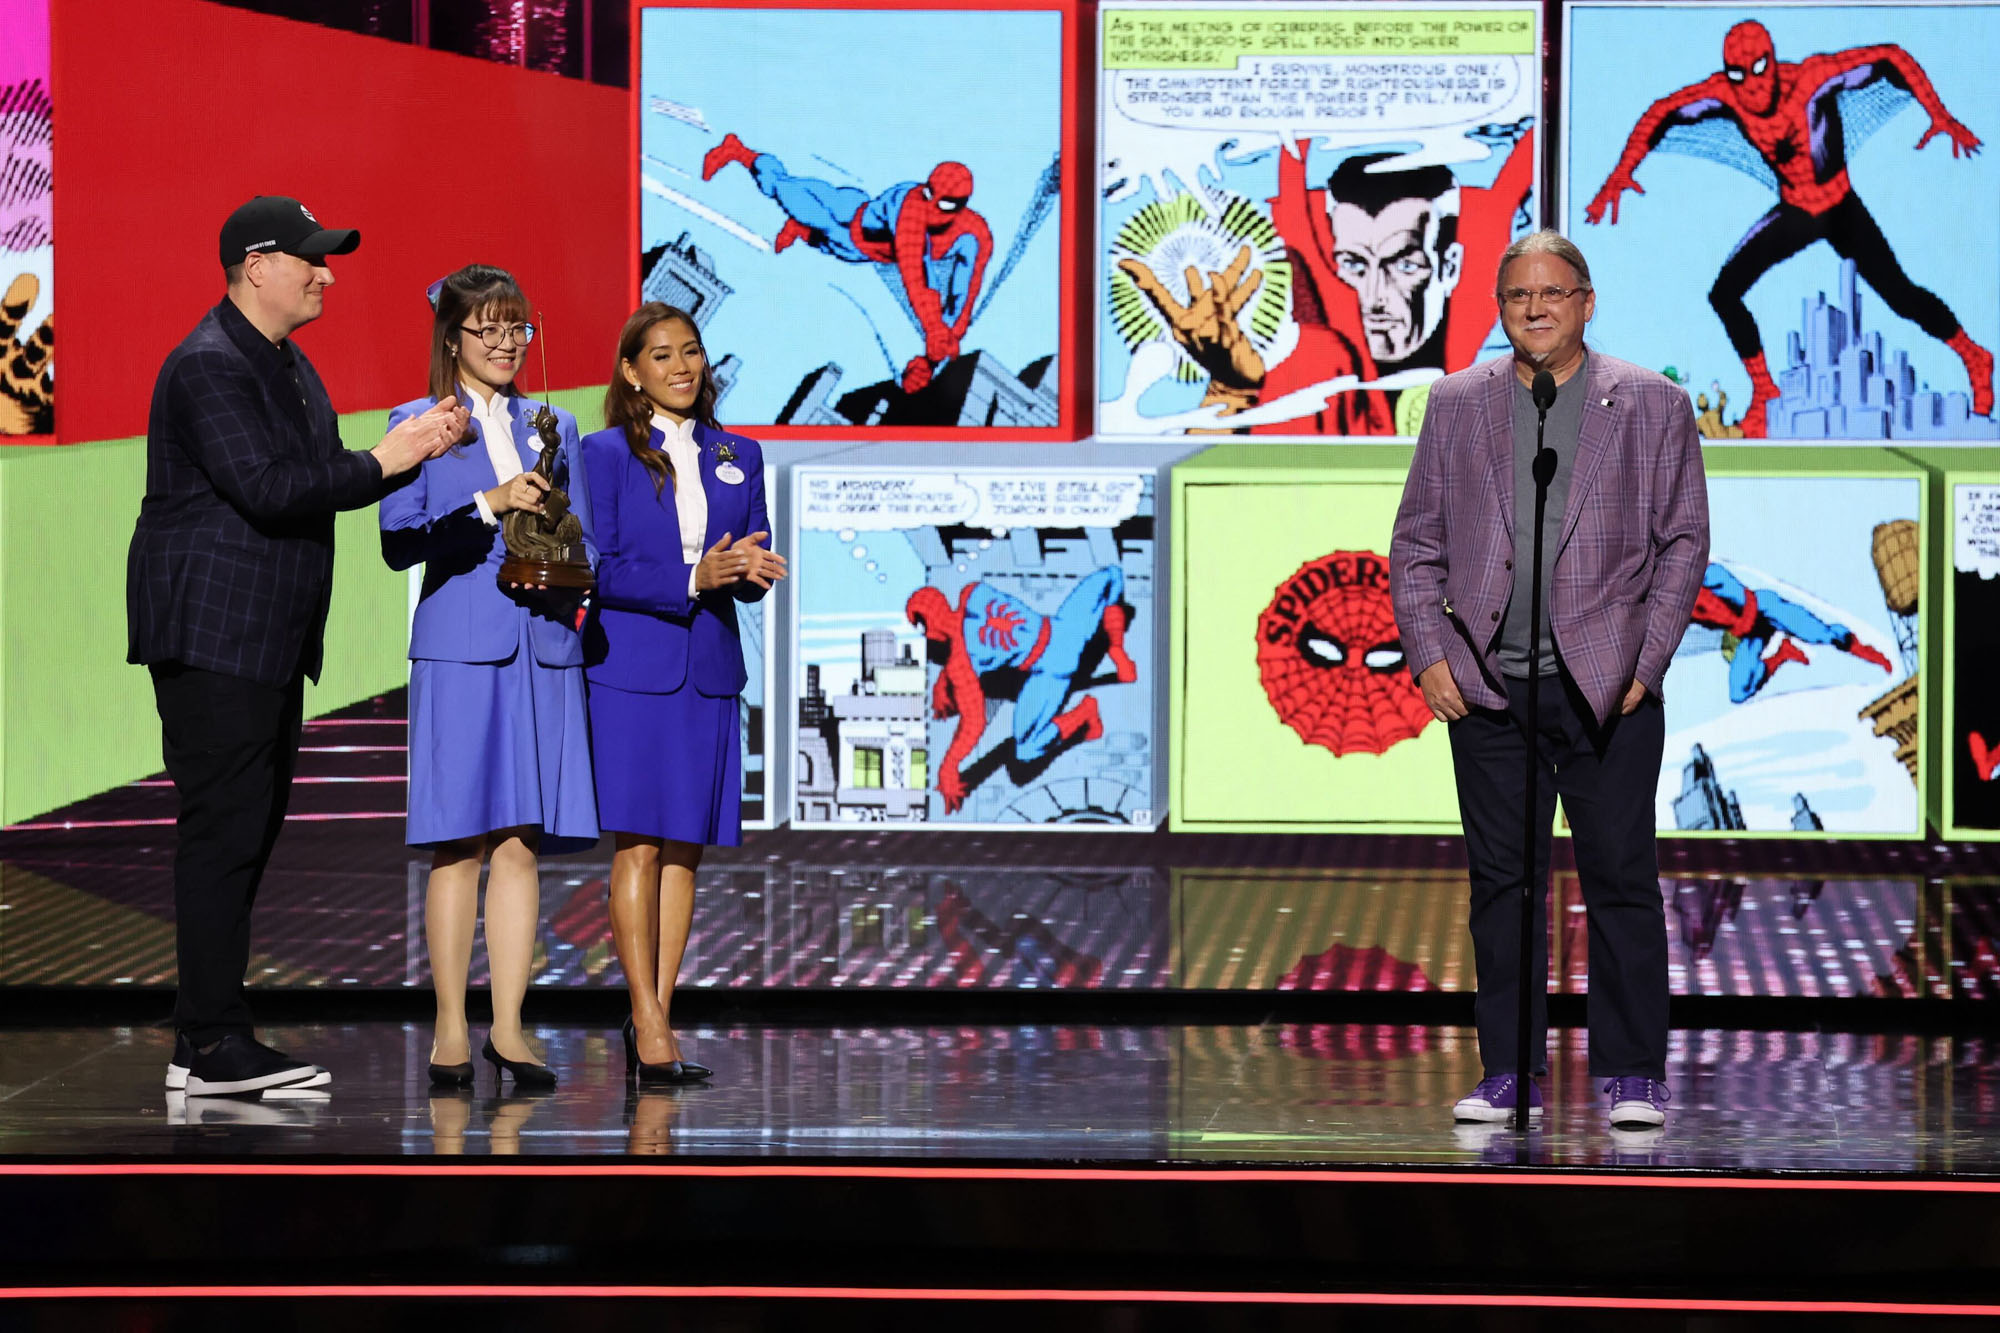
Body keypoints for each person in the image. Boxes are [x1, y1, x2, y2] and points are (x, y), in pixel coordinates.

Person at [129, 196, 467, 1096]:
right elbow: (270, 487)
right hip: (216, 633)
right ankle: (208, 1042)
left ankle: (205, 1034)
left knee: (243, 832)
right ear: (255, 265)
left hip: (262, 639)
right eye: (311, 259)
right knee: (222, 834)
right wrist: (389, 460)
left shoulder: (283, 364)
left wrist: (412, 448)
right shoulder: (207, 365)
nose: (328, 274)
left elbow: (312, 474)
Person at [1389, 230, 1709, 1129]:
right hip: (1489, 689)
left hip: (1607, 689)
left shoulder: (1651, 403)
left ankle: (1633, 1071)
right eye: (1518, 295)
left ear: (1586, 301)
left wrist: (1647, 663)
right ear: (1499, 308)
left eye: (1554, 293)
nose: (1535, 308)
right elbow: (1415, 543)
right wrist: (1430, 654)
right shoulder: (1458, 403)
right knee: (1502, 886)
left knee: (1619, 878)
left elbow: (1685, 543)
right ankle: (1510, 1072)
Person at [380, 264, 599, 1091]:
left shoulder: (559, 424)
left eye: (519, 328)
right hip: (462, 647)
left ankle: (509, 1026)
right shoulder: (419, 422)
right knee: (459, 841)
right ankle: (448, 1024)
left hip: (543, 645)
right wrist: (489, 501)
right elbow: (398, 540)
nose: (507, 344)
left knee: (520, 841)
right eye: (490, 328)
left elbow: (581, 530)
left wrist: (581, 570)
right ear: (453, 338)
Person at [1586, 19, 1992, 435]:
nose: (1752, 87)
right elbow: (1662, 113)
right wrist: (1619, 174)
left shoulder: (1812, 78)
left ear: (1774, 63)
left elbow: (1890, 56)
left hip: (1839, 206)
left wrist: (1939, 114)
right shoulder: (1725, 94)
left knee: (1901, 296)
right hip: (1797, 211)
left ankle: (1973, 355)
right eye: (1738, 75)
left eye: (1759, 70)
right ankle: (1766, 392)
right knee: (1725, 293)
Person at [580, 303, 786, 1085]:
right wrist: (694, 576)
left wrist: (749, 571)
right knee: (637, 843)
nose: (681, 366)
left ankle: (654, 1015)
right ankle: (649, 1016)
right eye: (661, 355)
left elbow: (752, 557)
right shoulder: (602, 454)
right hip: (631, 670)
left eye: (691, 351)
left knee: (684, 853)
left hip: (708, 667)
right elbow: (596, 569)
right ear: (632, 372)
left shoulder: (741, 452)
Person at [1119, 127, 1534, 434]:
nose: (1374, 298)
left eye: (1404, 266)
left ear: (1448, 268)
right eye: (1355, 265)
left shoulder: (1510, 354)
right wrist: (1230, 388)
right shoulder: (1318, 363)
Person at [702, 134, 992, 394]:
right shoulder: (912, 206)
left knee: (822, 235)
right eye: (929, 194)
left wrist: (937, 351)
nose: (932, 206)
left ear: (959, 204)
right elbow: (915, 271)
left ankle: (801, 229)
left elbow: (963, 293)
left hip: (855, 245)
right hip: (852, 215)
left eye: (942, 203)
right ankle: (739, 152)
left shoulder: (974, 235)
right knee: (788, 192)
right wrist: (935, 331)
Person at [905, 567, 1136, 814]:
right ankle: (1118, 651)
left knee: (1026, 749)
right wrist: (1116, 647)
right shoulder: (972, 593)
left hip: (1052, 671)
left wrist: (949, 766)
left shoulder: (961, 664)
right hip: (1065, 628)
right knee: (1110, 576)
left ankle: (1085, 714)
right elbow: (961, 632)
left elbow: (973, 722)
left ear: (928, 631)